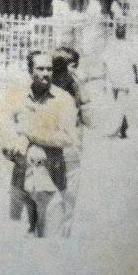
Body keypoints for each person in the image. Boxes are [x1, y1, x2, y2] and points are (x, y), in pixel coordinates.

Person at [0, 50, 77, 237]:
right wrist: (10, 144)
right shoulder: (19, 96)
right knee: (19, 237)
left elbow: (67, 137)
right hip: (21, 176)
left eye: (49, 69)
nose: (46, 74)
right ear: (30, 70)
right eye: (40, 69)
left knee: (48, 235)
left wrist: (29, 134)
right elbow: (6, 125)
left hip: (49, 176)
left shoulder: (63, 99)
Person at [52, 47, 92, 237]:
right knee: (69, 188)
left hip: (49, 143)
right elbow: (89, 119)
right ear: (72, 66)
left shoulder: (44, 84)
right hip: (71, 144)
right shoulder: (76, 85)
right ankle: (63, 232)